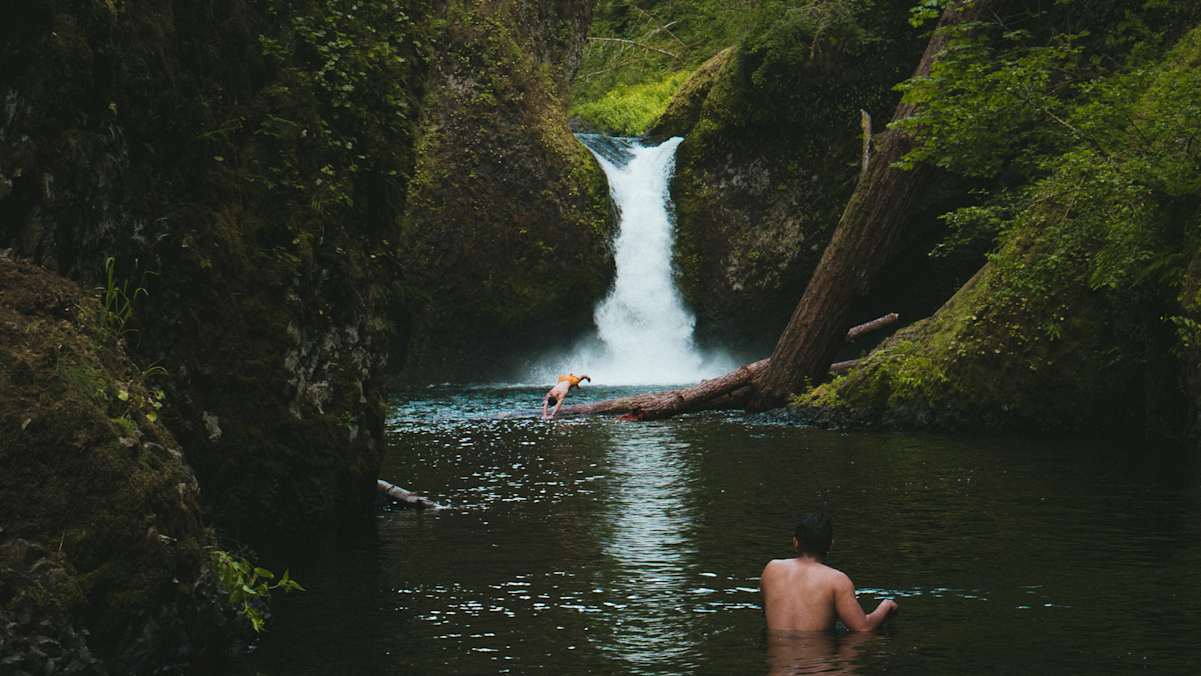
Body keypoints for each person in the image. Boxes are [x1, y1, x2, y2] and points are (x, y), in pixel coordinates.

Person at [760, 513, 897, 633]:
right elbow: (862, 628)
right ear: (830, 545)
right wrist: (886, 605)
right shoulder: (836, 580)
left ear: (795, 542)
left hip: (778, 660)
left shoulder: (772, 569)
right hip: (819, 659)